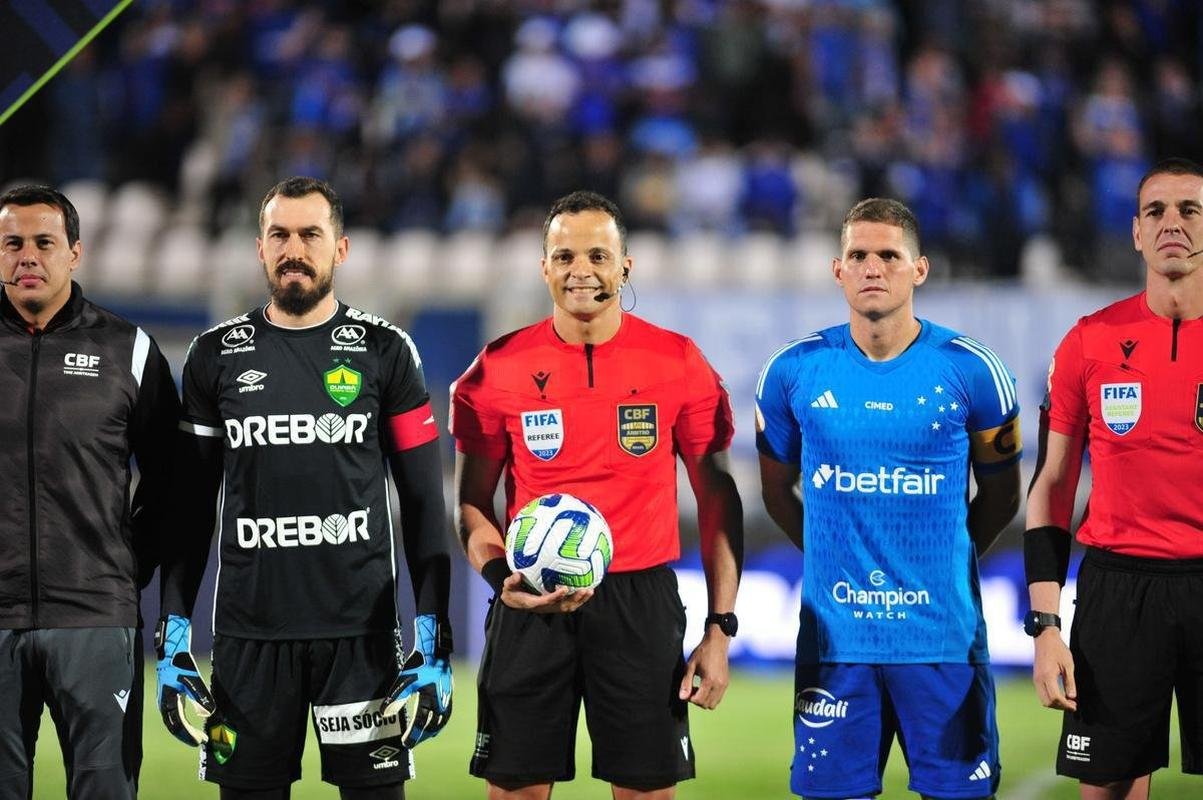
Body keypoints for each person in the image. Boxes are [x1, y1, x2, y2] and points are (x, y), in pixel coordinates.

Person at [156, 176, 452, 800]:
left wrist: (433, 638)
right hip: (248, 643)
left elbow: (425, 503)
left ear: (339, 248)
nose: (294, 248)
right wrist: (174, 629)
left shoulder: (385, 350)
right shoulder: (213, 356)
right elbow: (189, 511)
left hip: (362, 644)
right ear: (260, 249)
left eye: (310, 234)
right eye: (279, 235)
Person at [451, 189, 744, 800]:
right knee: (516, 791)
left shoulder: (679, 362)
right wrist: (501, 574)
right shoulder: (496, 369)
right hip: (530, 600)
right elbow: (472, 503)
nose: (580, 270)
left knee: (644, 792)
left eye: (597, 256)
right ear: (544, 268)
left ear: (625, 266)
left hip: (640, 601)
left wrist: (719, 629)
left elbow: (717, 497)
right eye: (563, 256)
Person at [756, 197, 1022, 800]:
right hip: (835, 643)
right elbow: (777, 491)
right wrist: (829, 554)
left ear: (919, 269)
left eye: (888, 255)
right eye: (858, 255)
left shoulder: (974, 370)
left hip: (942, 641)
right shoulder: (793, 372)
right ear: (838, 270)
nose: (873, 267)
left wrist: (942, 561)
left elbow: (1002, 495)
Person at [1025, 156, 1203, 800]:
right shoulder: (1089, 341)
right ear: (1135, 232)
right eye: (1156, 211)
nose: (1172, 223)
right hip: (1119, 588)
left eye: (1190, 210)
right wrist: (1045, 627)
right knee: (1106, 788)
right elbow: (1051, 485)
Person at [0, 185, 180, 798]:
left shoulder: (127, 350)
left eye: (43, 242)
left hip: (96, 618)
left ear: (74, 253)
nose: (28, 256)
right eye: (13, 243)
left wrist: (129, 566)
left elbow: (169, 477)